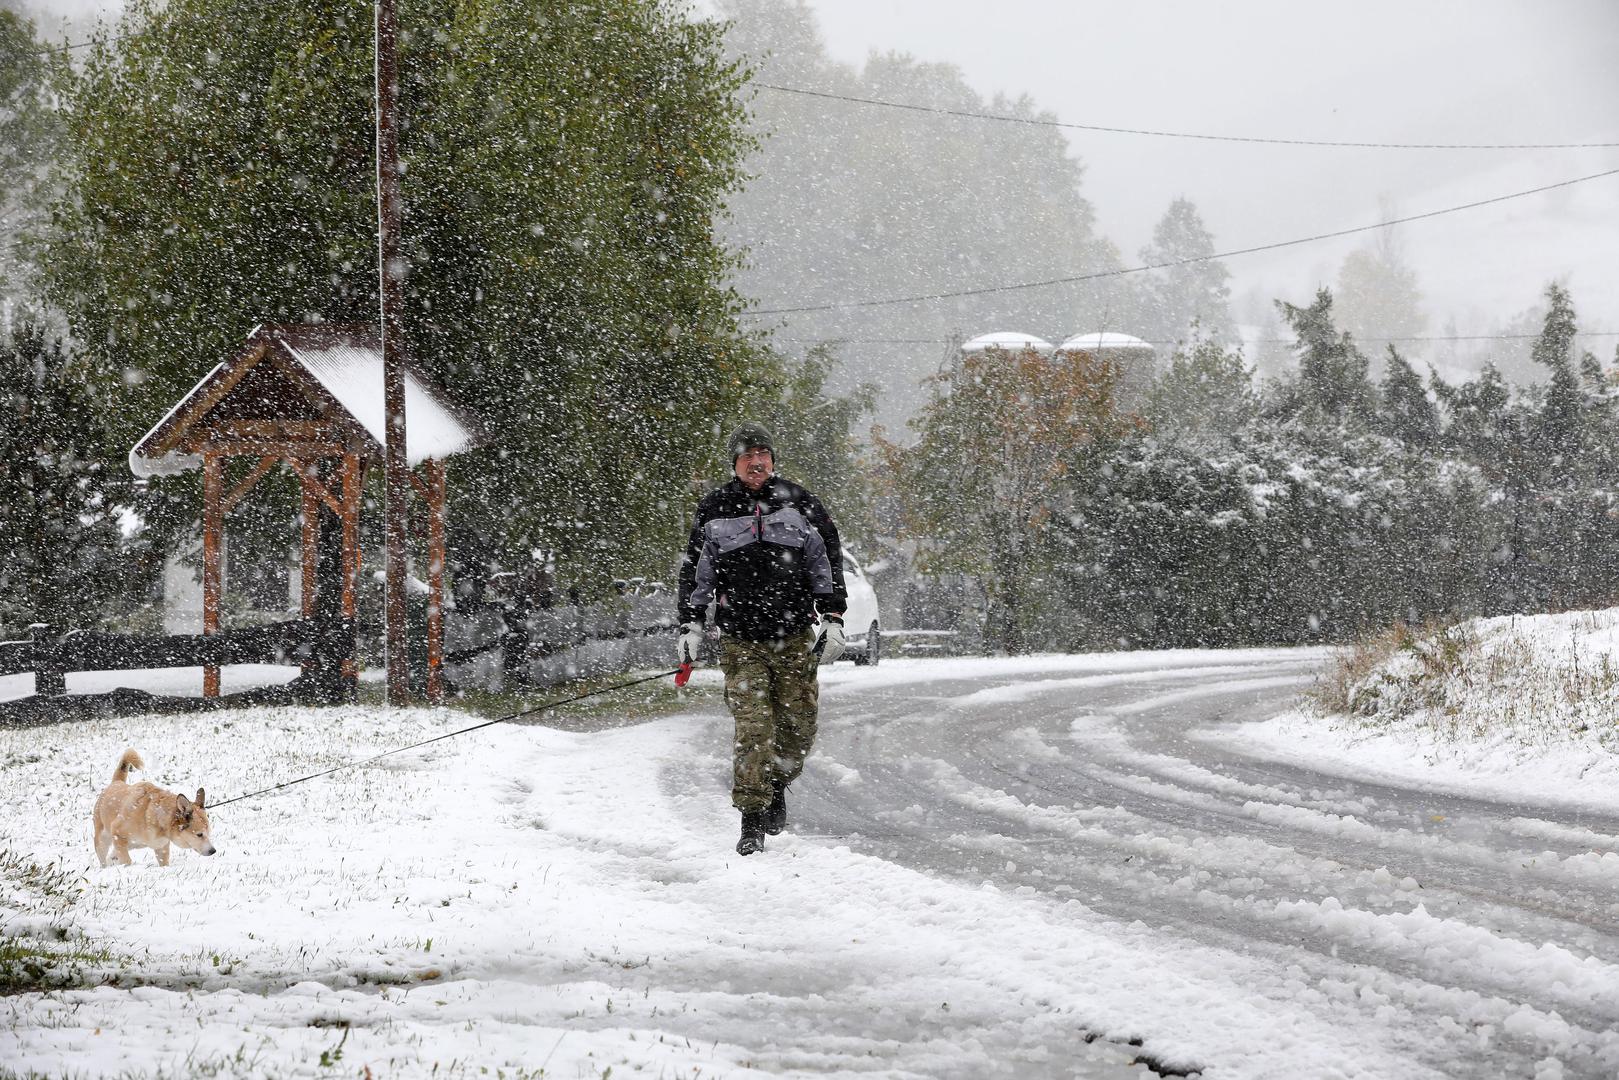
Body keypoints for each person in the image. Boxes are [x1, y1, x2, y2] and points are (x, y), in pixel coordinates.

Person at [677, 422, 848, 855]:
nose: (757, 463)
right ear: (734, 464)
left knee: (798, 729)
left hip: (793, 637)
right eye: (748, 456)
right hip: (740, 640)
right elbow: (698, 570)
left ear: (772, 460)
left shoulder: (800, 503)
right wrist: (691, 624)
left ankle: (775, 785)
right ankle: (751, 818)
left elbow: (826, 557)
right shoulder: (715, 508)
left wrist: (833, 616)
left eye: (764, 455)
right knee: (754, 728)